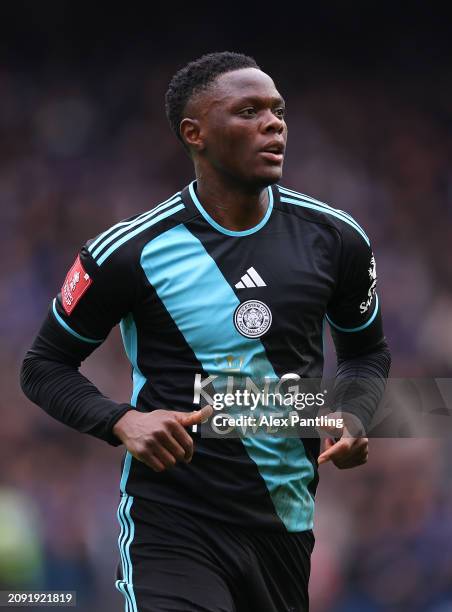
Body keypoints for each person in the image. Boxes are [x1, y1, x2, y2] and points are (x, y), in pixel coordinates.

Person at [21, 51, 391, 612]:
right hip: (172, 523)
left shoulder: (336, 239)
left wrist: (357, 410)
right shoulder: (130, 251)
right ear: (195, 133)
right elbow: (42, 366)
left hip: (285, 529)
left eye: (278, 110)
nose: (274, 124)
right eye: (249, 111)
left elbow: (368, 353)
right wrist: (121, 419)